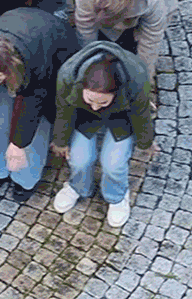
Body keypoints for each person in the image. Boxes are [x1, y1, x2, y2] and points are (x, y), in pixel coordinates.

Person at [0, 7, 75, 201]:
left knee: (37, 128)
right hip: (23, 46)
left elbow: (33, 103)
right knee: (0, 115)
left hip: (51, 62)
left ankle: (25, 178)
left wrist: (18, 144)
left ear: (13, 68)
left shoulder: (35, 60)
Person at [51, 41, 156, 228]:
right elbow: (64, 110)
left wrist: (146, 143)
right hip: (84, 117)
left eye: (102, 102)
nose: (95, 106)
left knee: (113, 164)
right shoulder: (68, 75)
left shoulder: (137, 78)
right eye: (91, 99)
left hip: (121, 118)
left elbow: (141, 115)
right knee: (79, 159)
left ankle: (116, 196)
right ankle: (78, 186)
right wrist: (61, 140)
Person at [73, 0, 180, 79]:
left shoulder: (152, 0)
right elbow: (85, 27)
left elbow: (151, 39)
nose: (119, 26)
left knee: (135, 41)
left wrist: (144, 73)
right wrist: (89, 58)